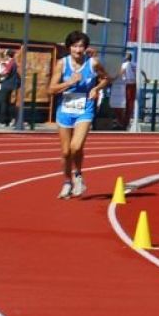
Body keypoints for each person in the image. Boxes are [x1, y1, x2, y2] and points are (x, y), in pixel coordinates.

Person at [48, 31, 109, 199]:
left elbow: (106, 78)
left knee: (76, 146)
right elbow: (51, 89)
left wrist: (96, 88)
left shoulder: (93, 63)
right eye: (75, 46)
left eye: (81, 46)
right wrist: (69, 82)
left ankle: (78, 175)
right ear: (69, 47)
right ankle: (67, 182)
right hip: (65, 110)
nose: (78, 50)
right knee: (66, 152)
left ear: (85, 48)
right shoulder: (62, 64)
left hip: (85, 109)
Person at [118, 53, 143, 129]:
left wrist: (116, 78)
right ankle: (127, 120)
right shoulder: (135, 64)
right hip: (133, 84)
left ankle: (125, 122)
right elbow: (142, 71)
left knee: (126, 103)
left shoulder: (125, 64)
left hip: (127, 84)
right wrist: (146, 78)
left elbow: (121, 72)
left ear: (126, 58)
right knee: (130, 103)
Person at [0, 49, 19, 127]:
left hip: (6, 85)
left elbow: (6, 72)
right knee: (8, 103)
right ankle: (8, 121)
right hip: (11, 85)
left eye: (5, 54)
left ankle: (2, 121)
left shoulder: (10, 63)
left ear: (8, 55)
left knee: (3, 103)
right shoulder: (14, 62)